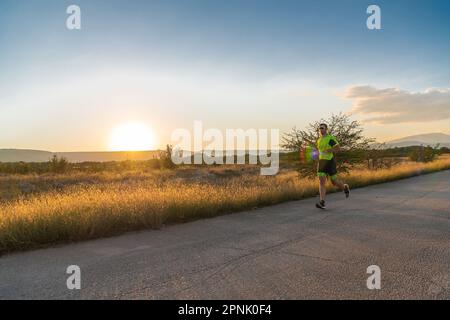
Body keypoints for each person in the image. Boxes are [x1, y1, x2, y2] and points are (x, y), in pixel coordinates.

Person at [315, 123, 350, 209]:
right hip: (322, 162)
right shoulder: (319, 140)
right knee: (321, 181)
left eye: (322, 128)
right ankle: (322, 201)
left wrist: (330, 150)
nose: (321, 130)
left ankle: (345, 187)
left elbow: (338, 149)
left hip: (330, 162)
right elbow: (320, 151)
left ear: (326, 129)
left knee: (334, 182)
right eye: (319, 128)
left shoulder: (330, 138)